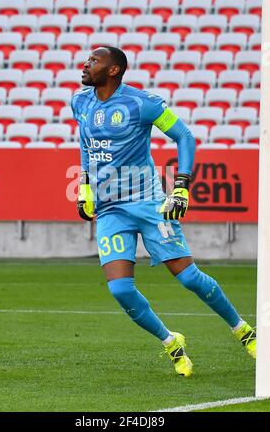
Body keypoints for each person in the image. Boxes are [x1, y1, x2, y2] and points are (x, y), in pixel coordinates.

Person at [71, 46, 256, 377]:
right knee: (120, 289)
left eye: (94, 61)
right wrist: (84, 186)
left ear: (113, 70)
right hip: (110, 209)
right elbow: (86, 146)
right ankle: (171, 342)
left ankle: (242, 330)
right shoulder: (80, 102)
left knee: (188, 278)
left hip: (147, 203)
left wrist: (181, 186)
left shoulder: (142, 103)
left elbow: (184, 136)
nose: (85, 65)